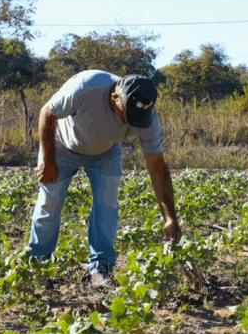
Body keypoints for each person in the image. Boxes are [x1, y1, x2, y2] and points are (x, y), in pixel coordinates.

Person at [28, 70, 181, 284]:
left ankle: (101, 270)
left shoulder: (148, 118)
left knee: (106, 206)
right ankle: (39, 263)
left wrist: (170, 217)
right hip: (62, 147)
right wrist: (49, 160)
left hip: (106, 154)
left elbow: (157, 168)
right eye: (126, 115)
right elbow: (47, 113)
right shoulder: (85, 88)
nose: (130, 123)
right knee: (50, 201)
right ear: (114, 97)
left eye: (138, 119)